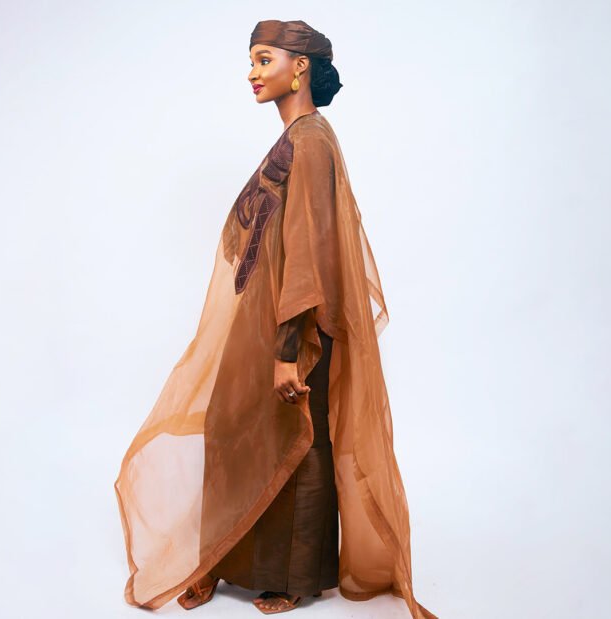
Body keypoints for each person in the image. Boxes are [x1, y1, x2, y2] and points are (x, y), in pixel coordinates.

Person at [113, 19, 437, 618]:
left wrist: (290, 348)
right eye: (252, 61)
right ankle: (221, 559)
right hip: (260, 316)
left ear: (300, 66)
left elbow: (310, 248)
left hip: (296, 324)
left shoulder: (311, 140)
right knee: (231, 426)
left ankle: (294, 575)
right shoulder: (294, 138)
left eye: (265, 60)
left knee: (299, 439)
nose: (252, 73)